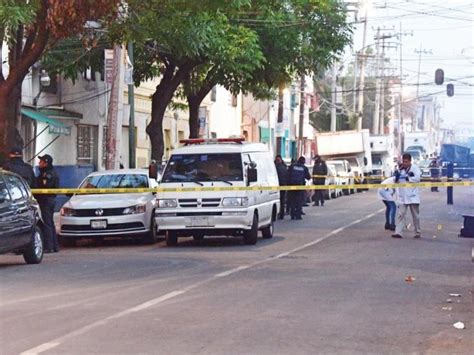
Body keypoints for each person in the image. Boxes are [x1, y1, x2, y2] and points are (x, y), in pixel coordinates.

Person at [392, 153, 422, 239]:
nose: (404, 163)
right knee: (401, 214)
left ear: (410, 161)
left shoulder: (415, 168)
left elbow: (417, 179)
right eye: (403, 161)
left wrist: (408, 178)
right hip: (403, 196)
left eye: (406, 162)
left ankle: (417, 232)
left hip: (413, 196)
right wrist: (397, 175)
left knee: (415, 216)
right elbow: (395, 180)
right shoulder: (400, 169)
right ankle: (398, 232)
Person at [35, 154, 60, 253]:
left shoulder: (47, 174)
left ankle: (49, 246)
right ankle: (54, 245)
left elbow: (45, 187)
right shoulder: (49, 172)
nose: (39, 163)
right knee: (50, 222)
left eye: (41, 162)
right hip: (49, 200)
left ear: (46, 163)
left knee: (47, 224)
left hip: (46, 200)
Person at [274, 155, 288, 220]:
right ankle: (281, 214)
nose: (277, 161)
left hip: (280, 185)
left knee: (280, 200)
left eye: (278, 160)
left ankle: (280, 214)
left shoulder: (276, 167)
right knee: (281, 201)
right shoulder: (284, 166)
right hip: (282, 185)